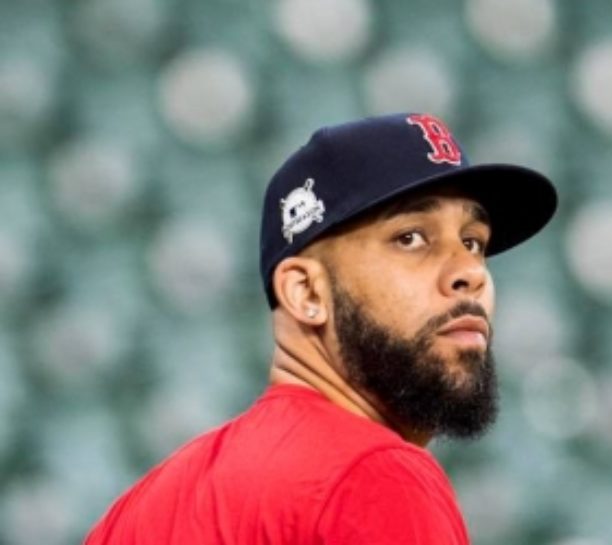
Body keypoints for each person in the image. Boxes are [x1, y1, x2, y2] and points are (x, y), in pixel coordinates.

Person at [84, 113, 558, 544]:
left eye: (474, 242)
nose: (470, 273)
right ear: (306, 293)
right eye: (411, 238)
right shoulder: (374, 478)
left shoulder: (146, 505)